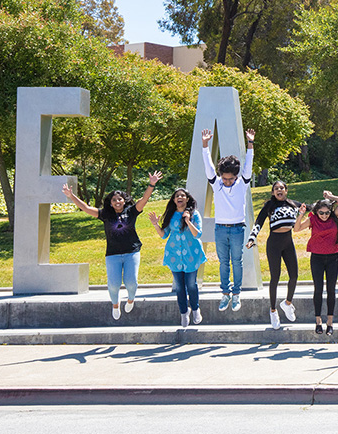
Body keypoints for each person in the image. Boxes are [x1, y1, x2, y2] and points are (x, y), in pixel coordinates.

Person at [60, 171, 161, 320]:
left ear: (124, 200)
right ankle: (115, 304)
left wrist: (151, 184)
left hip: (131, 252)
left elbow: (145, 198)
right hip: (113, 254)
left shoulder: (132, 211)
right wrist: (71, 196)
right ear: (111, 202)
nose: (117, 202)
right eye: (114, 200)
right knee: (113, 285)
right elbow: (86, 208)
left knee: (131, 283)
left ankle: (131, 299)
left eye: (120, 199)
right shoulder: (106, 214)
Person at [201, 128, 255, 313]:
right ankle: (225, 293)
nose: (227, 182)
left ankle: (236, 294)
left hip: (238, 228)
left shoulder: (242, 183)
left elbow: (248, 165)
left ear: (236, 177)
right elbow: (208, 166)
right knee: (223, 262)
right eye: (224, 178)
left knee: (236, 261)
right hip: (220, 229)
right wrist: (205, 145)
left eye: (230, 179)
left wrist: (250, 144)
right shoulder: (217, 184)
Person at [247, 181, 303, 329]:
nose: (279, 190)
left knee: (294, 276)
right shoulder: (269, 206)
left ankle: (287, 303)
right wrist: (252, 238)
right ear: (273, 192)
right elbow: (258, 222)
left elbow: (314, 208)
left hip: (288, 243)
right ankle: (273, 311)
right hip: (274, 244)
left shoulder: (293, 204)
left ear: (286, 191)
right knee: (275, 277)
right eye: (276, 188)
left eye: (282, 188)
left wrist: (329, 200)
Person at [148, 188, 205, 328]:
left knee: (191, 285)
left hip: (191, 254)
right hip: (174, 255)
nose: (179, 197)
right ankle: (184, 312)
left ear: (187, 199)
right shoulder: (171, 215)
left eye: (182, 195)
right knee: (179, 287)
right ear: (174, 200)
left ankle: (196, 309)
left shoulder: (194, 214)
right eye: (177, 196)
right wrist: (156, 224)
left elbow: (197, 234)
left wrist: (188, 220)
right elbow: (163, 235)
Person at [294, 191, 338, 334]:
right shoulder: (313, 220)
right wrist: (301, 214)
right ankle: (318, 321)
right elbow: (297, 229)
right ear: (316, 212)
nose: (324, 216)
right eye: (321, 213)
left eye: (326, 212)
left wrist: (331, 197)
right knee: (318, 289)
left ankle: (330, 323)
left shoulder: (333, 217)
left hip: (332, 258)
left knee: (331, 290)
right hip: (317, 258)